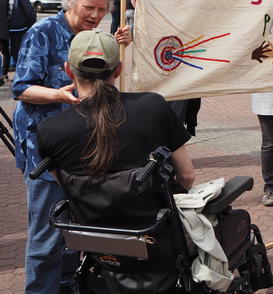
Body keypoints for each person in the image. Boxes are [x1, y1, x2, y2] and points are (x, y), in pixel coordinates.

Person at [12, 0, 131, 294]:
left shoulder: (97, 37)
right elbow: (21, 89)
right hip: (44, 148)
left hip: (85, 146)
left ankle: (65, 281)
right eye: (89, 7)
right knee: (47, 231)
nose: (95, 15)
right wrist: (57, 95)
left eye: (102, 9)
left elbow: (109, 80)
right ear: (71, 2)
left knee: (77, 222)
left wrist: (123, 47)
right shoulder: (43, 33)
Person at [36, 29, 195, 188]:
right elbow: (187, 176)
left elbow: (65, 186)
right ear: (118, 70)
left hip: (87, 213)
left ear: (69, 70)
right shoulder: (154, 107)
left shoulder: (49, 130)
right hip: (151, 211)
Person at [6, 0, 36, 69]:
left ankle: (19, 66)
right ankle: (13, 64)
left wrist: (27, 26)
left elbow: (30, 13)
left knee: (17, 48)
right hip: (10, 27)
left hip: (18, 28)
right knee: (11, 48)